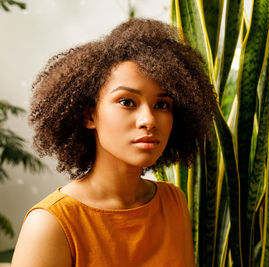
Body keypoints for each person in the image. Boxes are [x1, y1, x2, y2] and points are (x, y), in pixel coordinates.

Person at [11, 18, 216, 267]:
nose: (149, 120)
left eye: (162, 105)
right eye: (127, 102)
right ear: (89, 115)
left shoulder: (173, 202)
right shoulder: (50, 224)